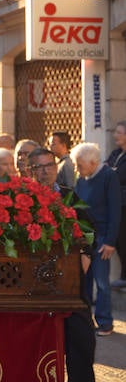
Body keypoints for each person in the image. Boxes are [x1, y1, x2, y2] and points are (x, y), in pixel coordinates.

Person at [28, 147, 112, 382]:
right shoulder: (22, 199)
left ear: (56, 166)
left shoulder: (68, 196)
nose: (45, 170)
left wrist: (86, 256)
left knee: (82, 339)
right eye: (39, 167)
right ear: (30, 171)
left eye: (49, 165)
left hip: (69, 285)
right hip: (33, 289)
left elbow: (89, 229)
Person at [72, 142, 121, 336]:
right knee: (86, 280)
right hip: (85, 238)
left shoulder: (109, 176)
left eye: (80, 165)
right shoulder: (81, 178)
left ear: (92, 162)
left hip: (101, 238)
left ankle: (105, 322)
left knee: (102, 283)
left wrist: (110, 241)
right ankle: (87, 321)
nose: (77, 169)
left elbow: (115, 210)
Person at [106, 120, 126, 289]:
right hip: (115, 204)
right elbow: (106, 171)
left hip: (124, 204)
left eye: (119, 133)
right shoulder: (115, 154)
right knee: (118, 239)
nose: (115, 136)